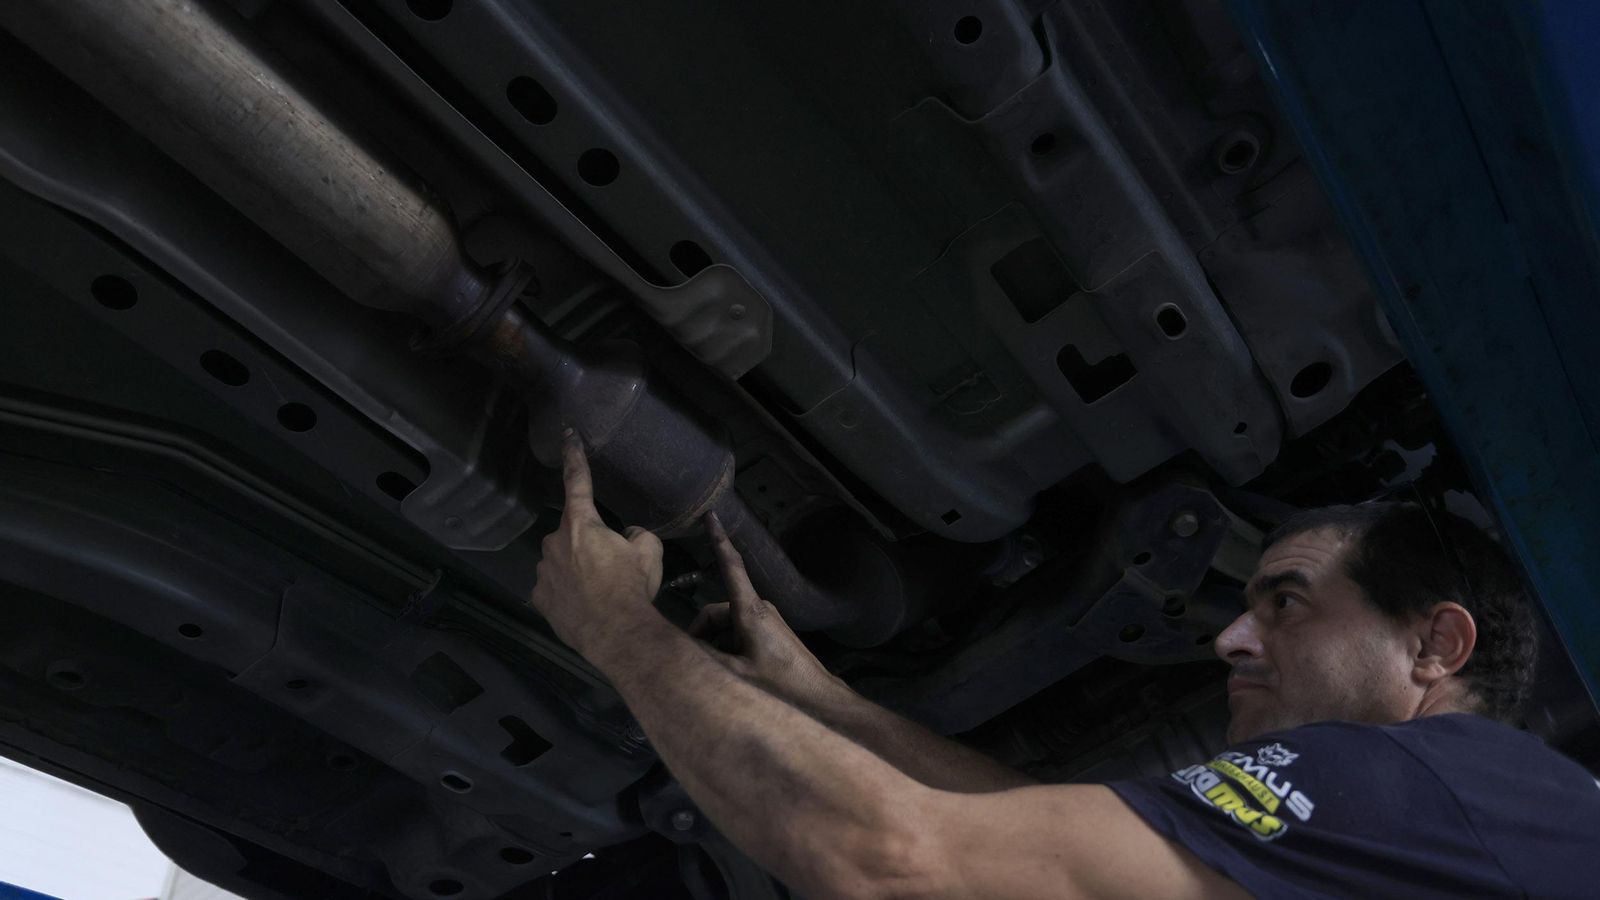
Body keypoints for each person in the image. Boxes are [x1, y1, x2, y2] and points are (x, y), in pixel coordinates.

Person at [529, 431, 1600, 899]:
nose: (1231, 640)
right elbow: (1057, 859)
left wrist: (618, 626)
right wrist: (818, 697)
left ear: (1433, 646)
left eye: (1286, 603)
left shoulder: (1421, 779)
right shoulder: (1449, 834)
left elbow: (893, 863)